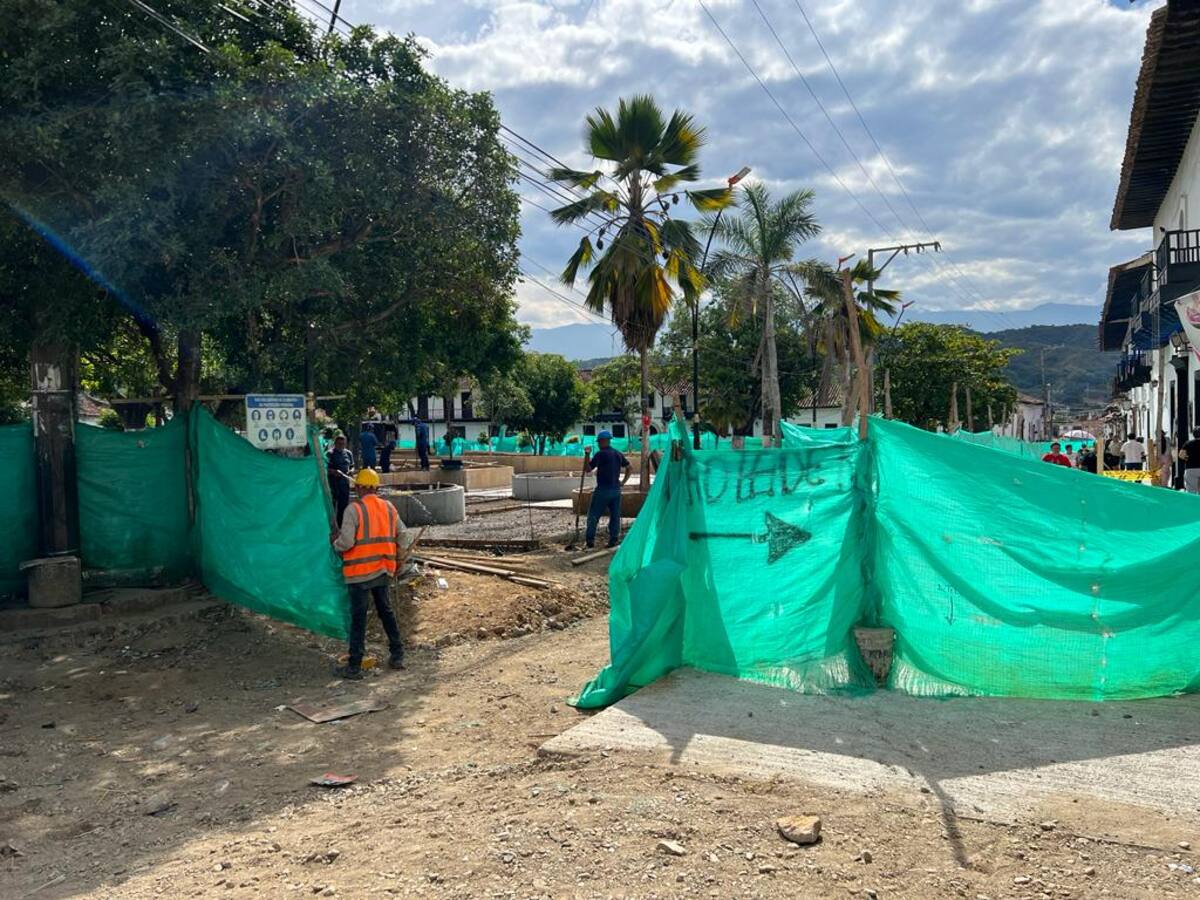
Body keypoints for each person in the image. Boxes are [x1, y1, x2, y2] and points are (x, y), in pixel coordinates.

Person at [331, 468, 406, 680]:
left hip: (359, 573)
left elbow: (346, 542)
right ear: (376, 488)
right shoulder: (389, 507)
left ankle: (354, 666)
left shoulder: (353, 509)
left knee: (358, 618)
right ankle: (397, 655)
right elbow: (403, 535)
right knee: (386, 612)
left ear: (359, 487)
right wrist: (399, 559)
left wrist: (335, 543)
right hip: (382, 569)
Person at [583, 430, 631, 548]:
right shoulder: (618, 454)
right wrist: (623, 482)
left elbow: (588, 469)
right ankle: (613, 539)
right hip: (616, 490)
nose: (598, 444)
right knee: (615, 516)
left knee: (593, 515)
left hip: (603, 490)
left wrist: (587, 454)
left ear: (604, 441)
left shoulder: (600, 454)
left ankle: (590, 541)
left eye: (599, 442)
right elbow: (630, 467)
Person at [325, 434, 355, 526]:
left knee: (343, 506)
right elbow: (324, 468)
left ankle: (341, 526)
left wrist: (351, 471)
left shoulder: (348, 453)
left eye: (343, 444)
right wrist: (333, 471)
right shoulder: (329, 454)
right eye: (339, 443)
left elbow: (352, 466)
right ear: (335, 443)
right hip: (333, 484)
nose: (341, 446)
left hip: (344, 484)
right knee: (332, 506)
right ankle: (331, 526)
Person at [1180, 427, 1200, 494]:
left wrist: (1187, 459)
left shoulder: (1188, 443)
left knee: (1191, 491)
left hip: (1190, 468)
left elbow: (1181, 455)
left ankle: (1192, 500)